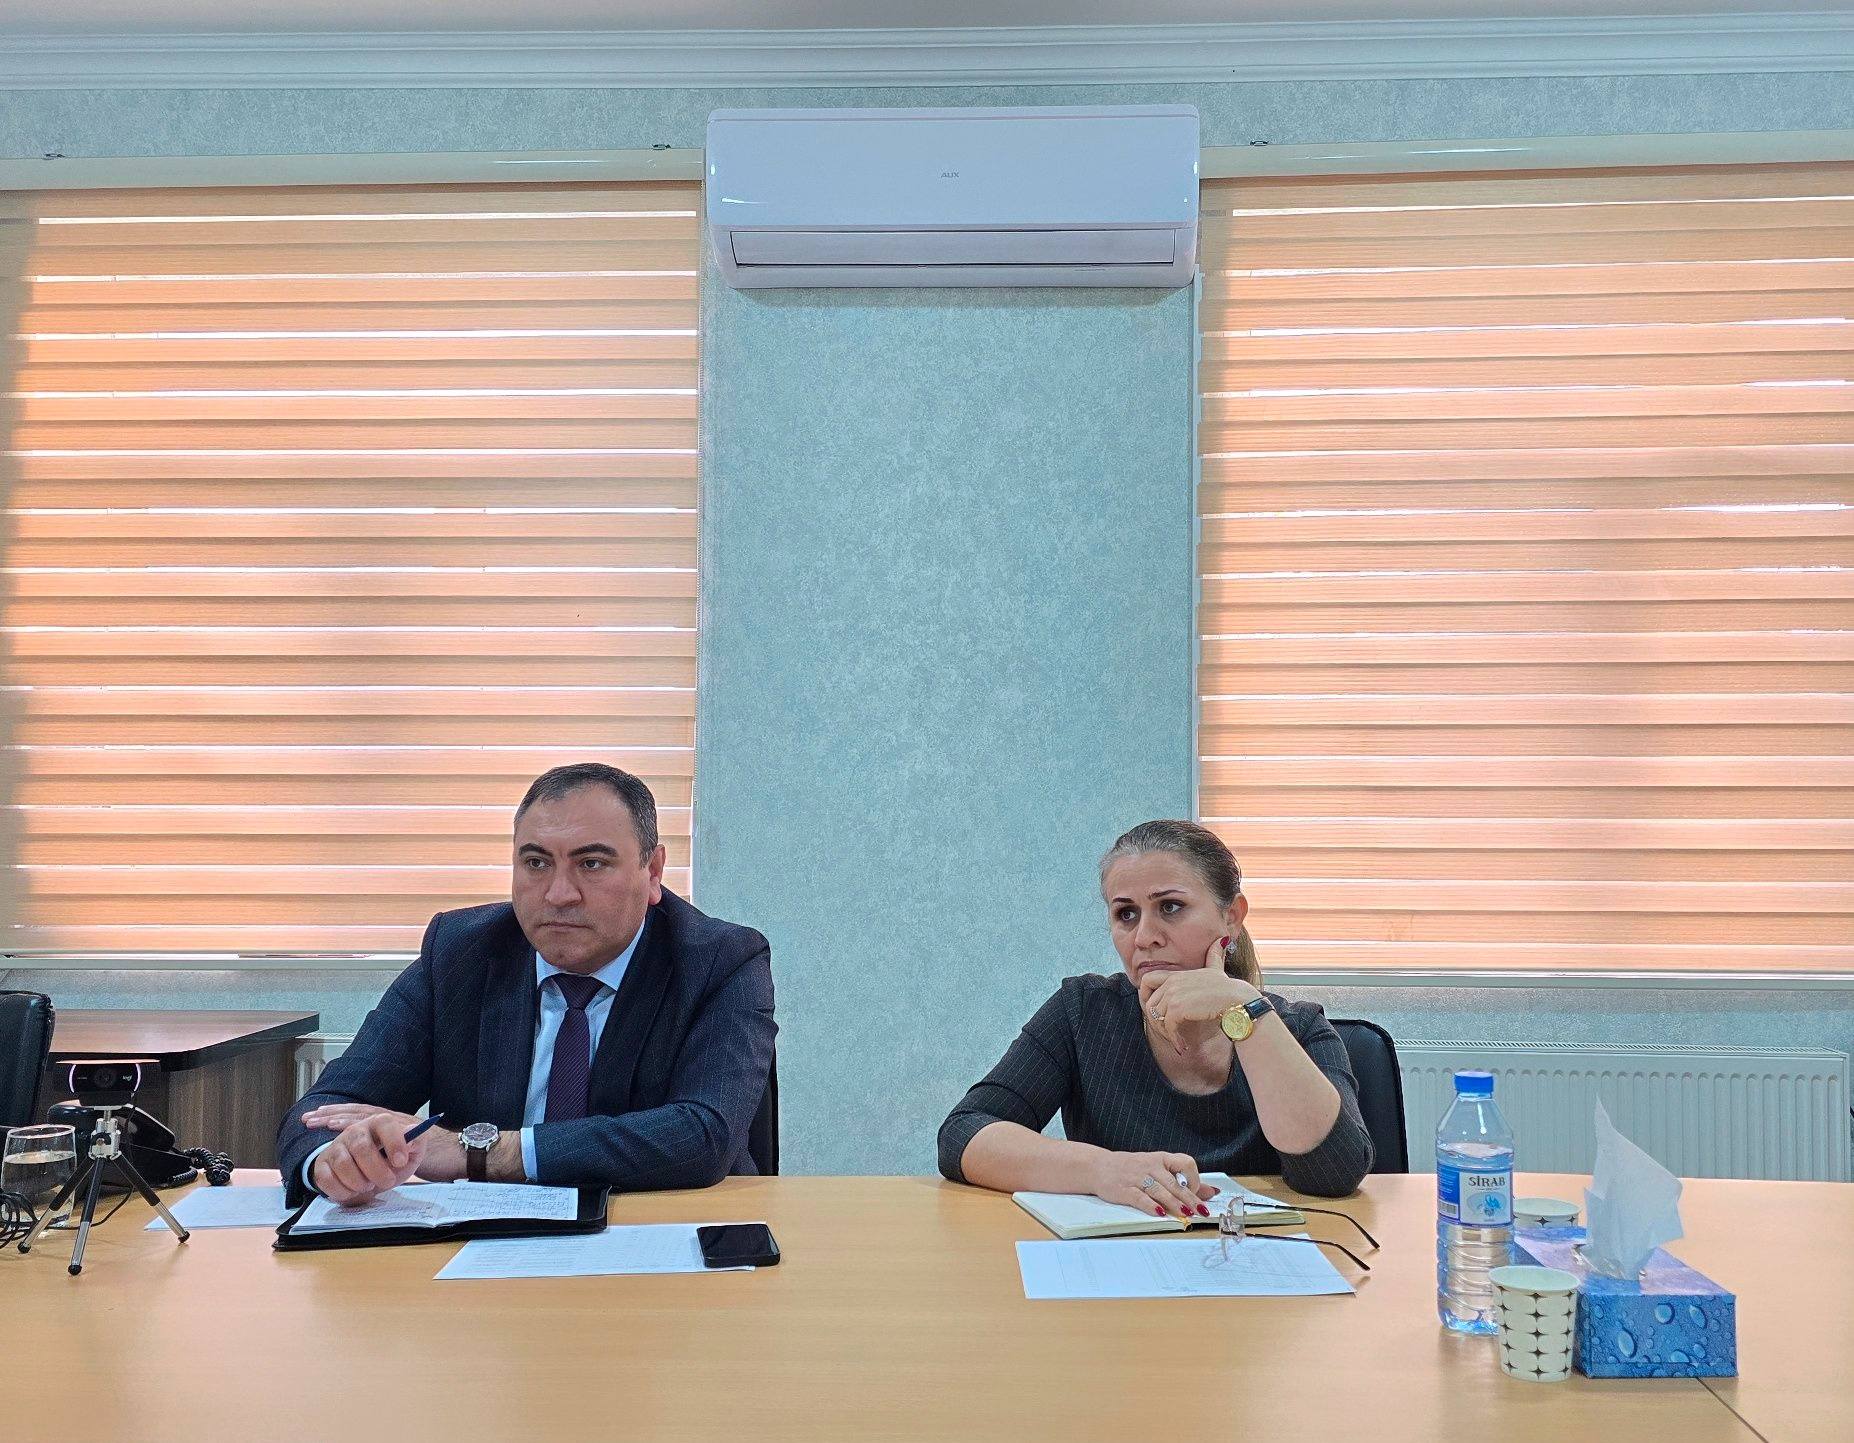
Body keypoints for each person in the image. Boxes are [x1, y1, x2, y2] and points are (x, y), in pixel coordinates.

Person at [277, 763, 776, 1206]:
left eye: (592, 864)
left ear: (653, 873)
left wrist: (476, 1152)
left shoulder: (720, 961)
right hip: (484, 1249)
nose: (558, 894)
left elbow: (703, 1134)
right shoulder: (460, 952)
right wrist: (337, 1161)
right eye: (536, 863)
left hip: (660, 1237)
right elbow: (325, 1110)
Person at [937, 820, 1371, 1211]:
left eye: (1170, 907)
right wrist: (1102, 1169)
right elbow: (964, 1134)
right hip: (1120, 1256)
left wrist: (1247, 1009)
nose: (1145, 937)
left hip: (1256, 1258)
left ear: (1231, 918)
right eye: (1126, 914)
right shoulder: (1082, 1010)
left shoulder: (1299, 1028)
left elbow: (1333, 1173)